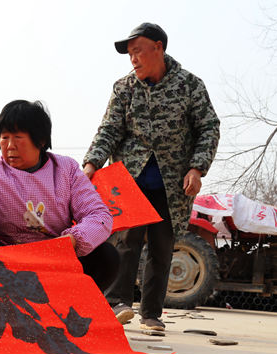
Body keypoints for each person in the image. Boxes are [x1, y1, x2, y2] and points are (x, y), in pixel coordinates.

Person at [83, 23, 220, 334]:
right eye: (129, 54)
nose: (133, 58)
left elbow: (209, 128)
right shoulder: (124, 88)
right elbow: (109, 129)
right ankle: (117, 304)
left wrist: (197, 168)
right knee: (125, 242)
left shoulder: (189, 86)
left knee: (161, 247)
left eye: (138, 51)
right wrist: (92, 163)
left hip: (173, 184)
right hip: (128, 181)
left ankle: (151, 314)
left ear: (159, 47)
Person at [0, 99, 118, 293]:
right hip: (2, 259)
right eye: (4, 138)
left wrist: (73, 240)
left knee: (106, 256)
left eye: (18, 137)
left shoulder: (67, 170)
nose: (10, 146)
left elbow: (98, 215)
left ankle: (69, 303)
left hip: (54, 259)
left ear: (41, 140)